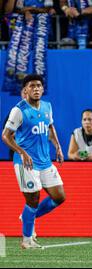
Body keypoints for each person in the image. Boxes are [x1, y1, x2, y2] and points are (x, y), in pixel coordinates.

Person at [1, 75, 66, 249]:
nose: (36, 88)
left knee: (59, 197)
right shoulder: (19, 110)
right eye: (32, 86)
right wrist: (22, 152)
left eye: (39, 86)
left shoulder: (47, 106)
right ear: (25, 90)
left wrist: (58, 147)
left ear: (42, 89)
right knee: (33, 200)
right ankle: (27, 239)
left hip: (45, 161)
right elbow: (5, 136)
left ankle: (28, 217)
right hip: (26, 163)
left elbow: (50, 127)